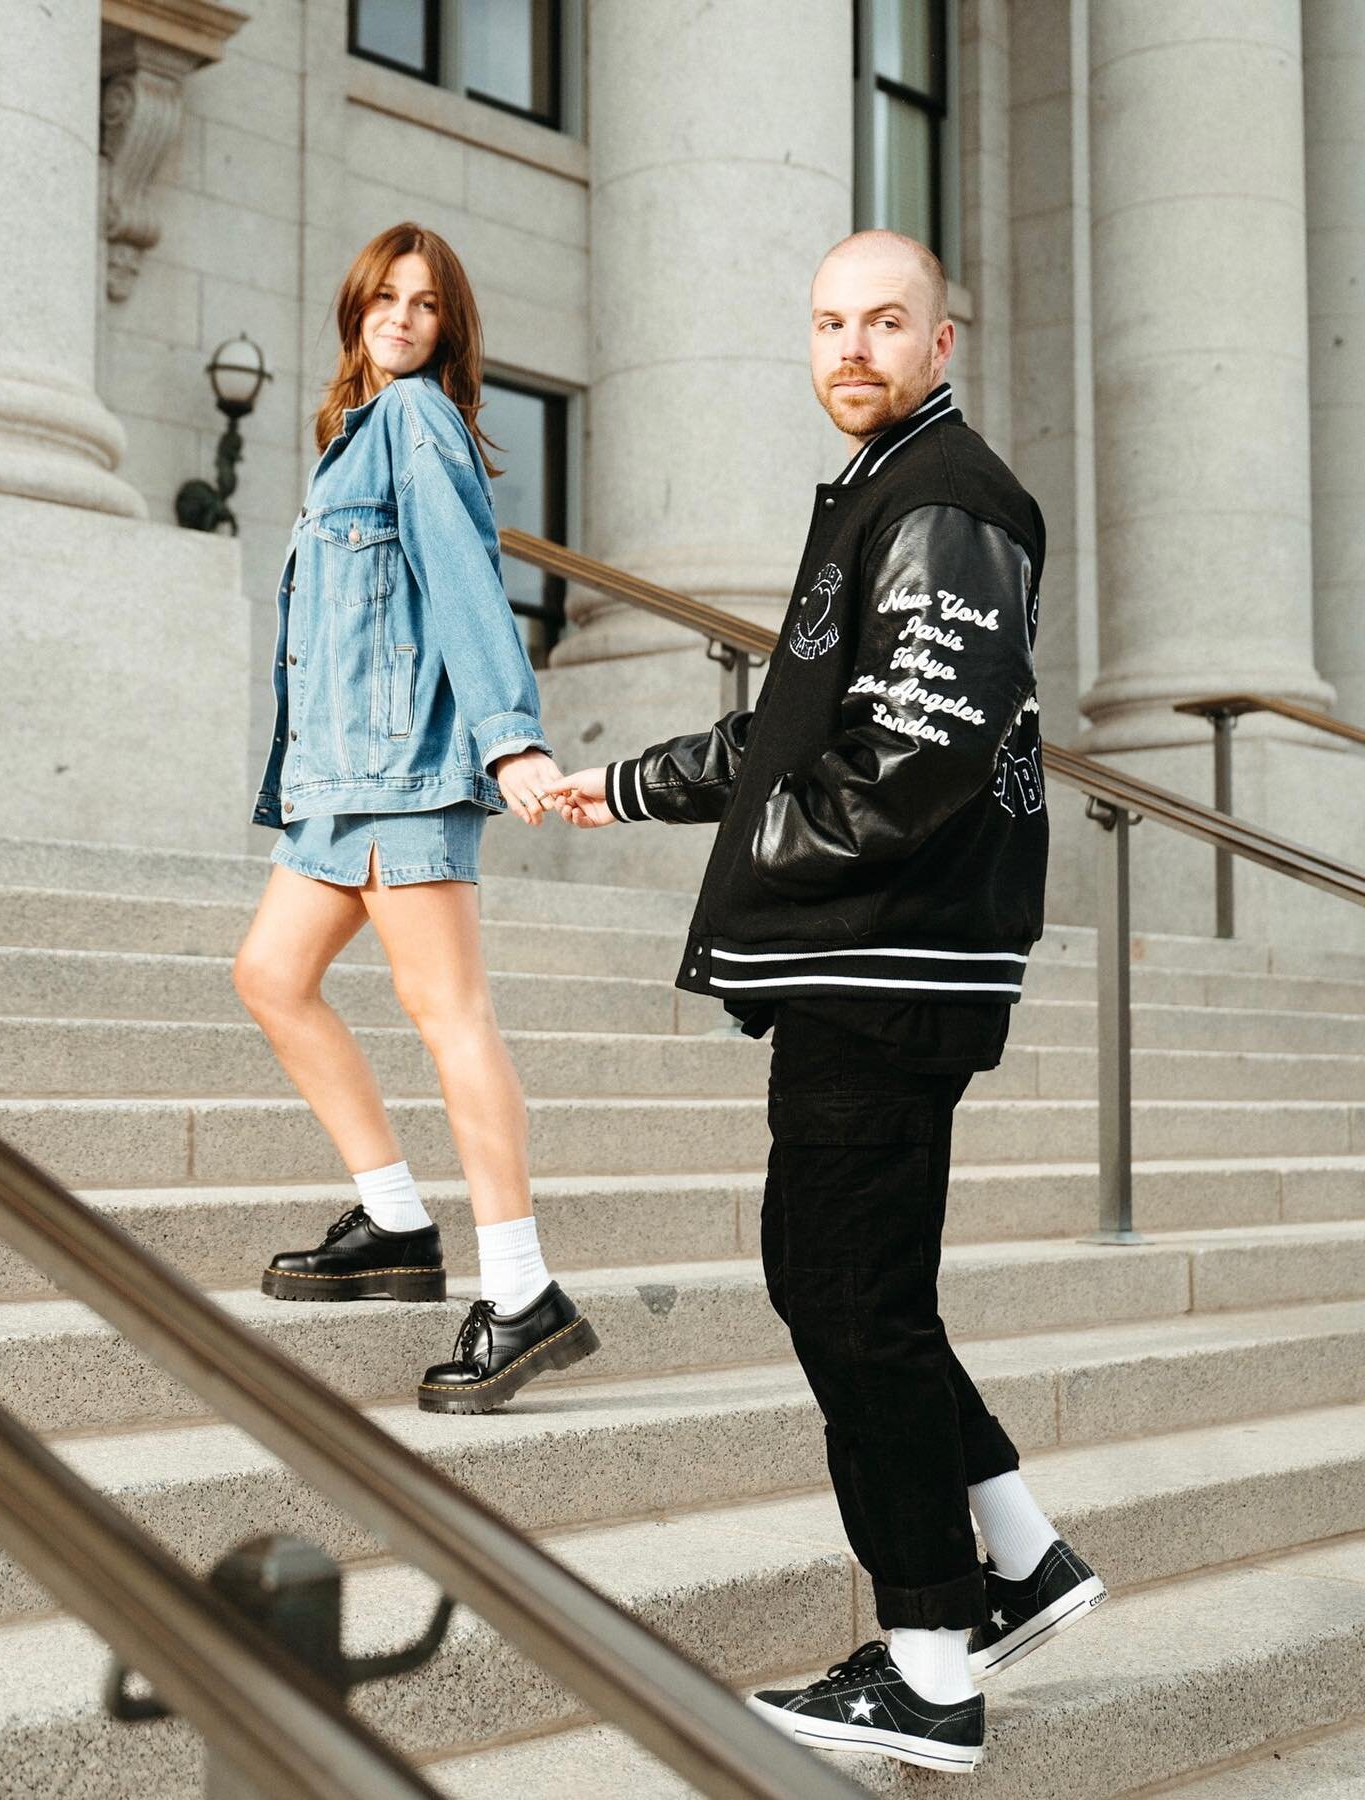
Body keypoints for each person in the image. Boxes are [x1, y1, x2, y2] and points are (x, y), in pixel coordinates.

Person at [546, 230, 1104, 1773]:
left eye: (884, 322)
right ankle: (1018, 1551)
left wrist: (768, 861)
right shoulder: (884, 494)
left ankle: (930, 1660)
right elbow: (795, 725)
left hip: (883, 957)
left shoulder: (946, 498)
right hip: (870, 955)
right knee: (852, 1287)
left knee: (842, 1294)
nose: (851, 347)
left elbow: (906, 757)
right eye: (828, 324)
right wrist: (621, 787)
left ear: (944, 341)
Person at [237, 222, 598, 1415]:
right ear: (355, 310)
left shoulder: (415, 420)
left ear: (450, 329)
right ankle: (395, 1222)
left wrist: (511, 737)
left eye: (426, 304)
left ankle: (521, 1288)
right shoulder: (348, 440)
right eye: (384, 298)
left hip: (404, 770)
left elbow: (460, 578)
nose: (401, 316)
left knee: (451, 1019)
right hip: (337, 783)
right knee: (271, 976)